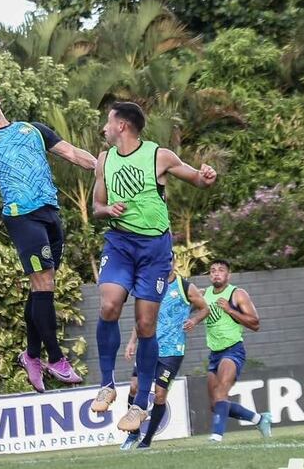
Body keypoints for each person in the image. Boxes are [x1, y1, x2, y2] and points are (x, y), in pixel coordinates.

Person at [0, 84, 97, 392]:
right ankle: (56, 359)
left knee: (41, 288)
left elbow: (71, 153)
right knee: (43, 284)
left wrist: (103, 167)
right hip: (22, 216)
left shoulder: (34, 129)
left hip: (51, 215)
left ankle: (31, 355)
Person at [89, 101, 217, 432]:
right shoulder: (104, 160)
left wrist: (206, 177)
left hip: (154, 250)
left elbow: (196, 179)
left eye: (108, 121)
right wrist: (108, 210)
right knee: (109, 304)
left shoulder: (159, 156)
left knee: (146, 325)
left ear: (122, 126)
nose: (104, 127)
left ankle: (139, 405)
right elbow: (96, 206)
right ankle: (106, 384)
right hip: (119, 244)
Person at [117, 269, 208, 450]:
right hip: (147, 347)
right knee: (134, 386)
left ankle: (147, 440)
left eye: (170, 259)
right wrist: (132, 342)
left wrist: (194, 321)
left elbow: (205, 308)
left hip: (172, 351)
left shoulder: (185, 287)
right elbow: (143, 319)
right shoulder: (151, 285)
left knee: (159, 394)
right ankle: (133, 432)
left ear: (173, 262)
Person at [204, 258, 271, 442]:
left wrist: (230, 310)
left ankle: (216, 436)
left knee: (221, 392)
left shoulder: (237, 294)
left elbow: (255, 323)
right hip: (214, 354)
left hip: (233, 350)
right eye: (212, 270)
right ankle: (259, 419)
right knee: (215, 404)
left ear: (228, 274)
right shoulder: (205, 295)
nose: (216, 273)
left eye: (220, 270)